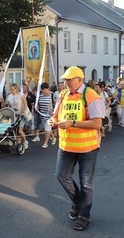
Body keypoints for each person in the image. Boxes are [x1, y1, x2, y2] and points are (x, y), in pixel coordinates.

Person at [48, 66, 105, 231]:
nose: (65, 83)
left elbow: (97, 123)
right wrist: (53, 120)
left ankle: (84, 215)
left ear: (80, 79)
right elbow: (56, 114)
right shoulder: (63, 94)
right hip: (66, 145)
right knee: (61, 175)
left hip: (87, 148)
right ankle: (78, 202)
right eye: (64, 80)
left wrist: (72, 123)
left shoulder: (91, 95)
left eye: (69, 79)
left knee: (86, 183)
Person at [6, 83, 29, 150]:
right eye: (10, 89)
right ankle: (19, 144)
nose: (11, 90)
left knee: (20, 130)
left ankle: (25, 141)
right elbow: (9, 105)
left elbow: (25, 104)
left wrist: (24, 112)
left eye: (12, 89)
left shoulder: (21, 95)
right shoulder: (9, 96)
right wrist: (9, 111)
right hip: (14, 115)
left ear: (16, 89)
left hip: (21, 114)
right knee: (15, 130)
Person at [33, 82, 56, 148]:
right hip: (42, 115)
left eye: (44, 89)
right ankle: (53, 138)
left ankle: (45, 143)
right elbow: (38, 104)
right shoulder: (40, 96)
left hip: (51, 116)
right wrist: (37, 107)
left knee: (47, 129)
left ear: (48, 89)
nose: (43, 91)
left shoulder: (52, 95)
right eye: (42, 89)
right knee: (47, 129)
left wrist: (53, 111)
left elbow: (57, 104)